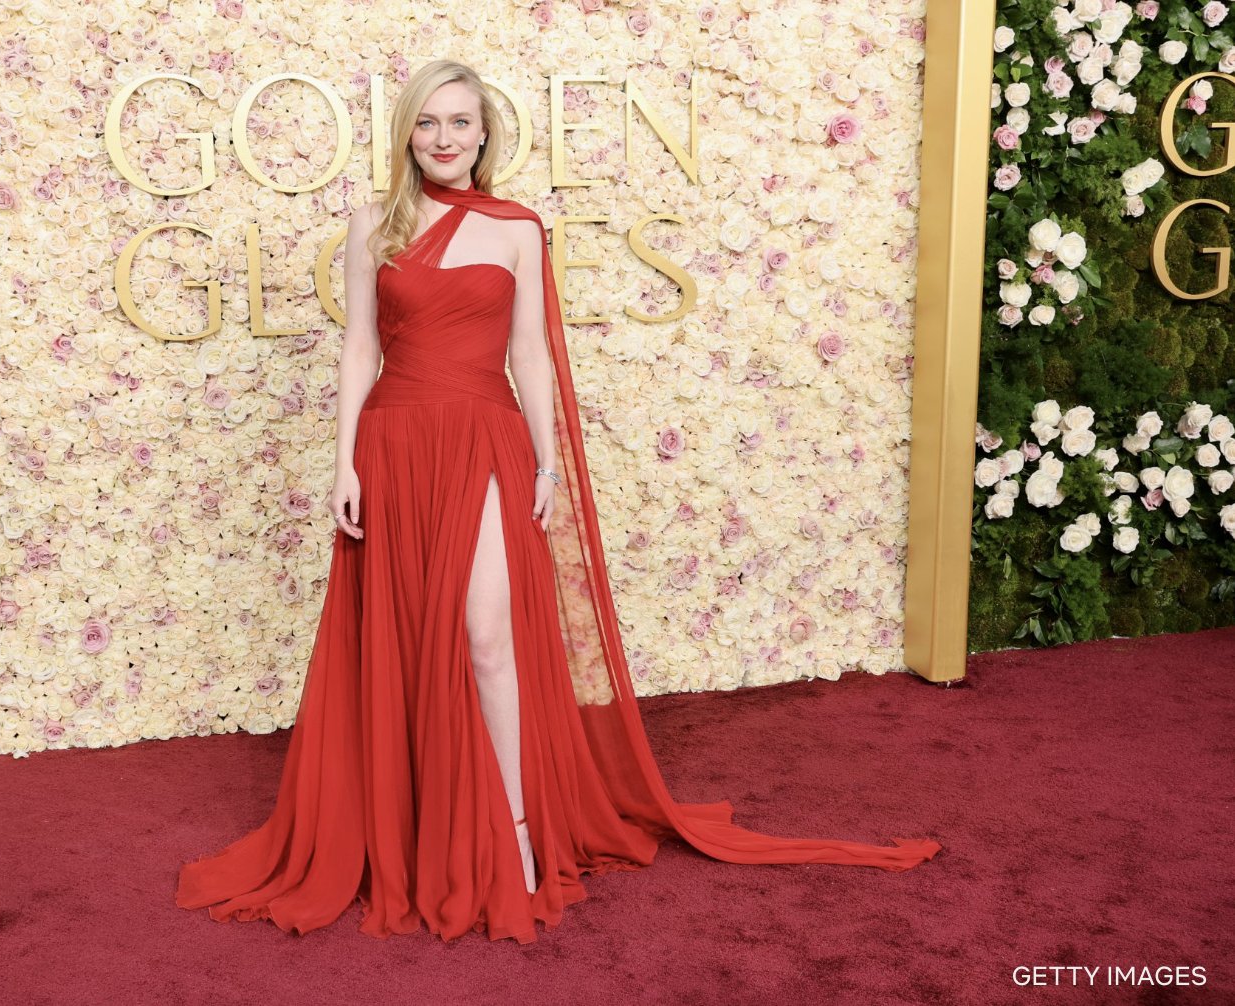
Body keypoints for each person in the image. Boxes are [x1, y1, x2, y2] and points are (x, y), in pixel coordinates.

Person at [176, 58, 941, 944]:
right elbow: (358, 348)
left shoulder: (517, 228)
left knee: (486, 636)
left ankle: (514, 826)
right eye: (428, 122)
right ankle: (412, 828)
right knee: (403, 634)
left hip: (486, 442)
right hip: (395, 442)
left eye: (460, 122)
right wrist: (343, 462)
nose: (444, 138)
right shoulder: (373, 224)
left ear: (485, 134)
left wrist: (545, 465)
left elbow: (531, 352)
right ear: (406, 134)